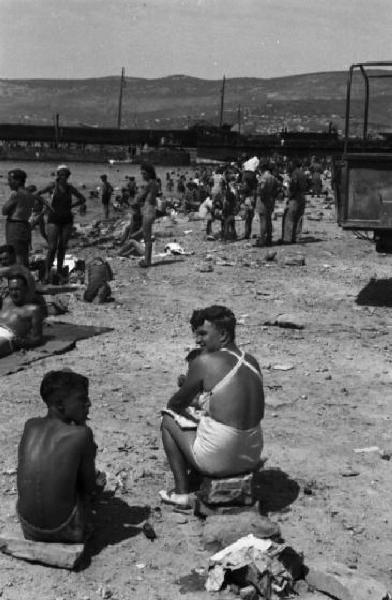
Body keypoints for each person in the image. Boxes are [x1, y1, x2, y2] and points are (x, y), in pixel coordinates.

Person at [160, 305, 264, 507]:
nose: (197, 341)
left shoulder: (205, 361)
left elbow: (175, 403)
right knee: (204, 417)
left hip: (220, 457)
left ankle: (181, 493)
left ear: (223, 334)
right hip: (252, 453)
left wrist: (193, 407)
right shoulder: (252, 361)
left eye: (203, 334)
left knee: (168, 418)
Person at [17, 369, 101, 542]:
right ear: (61, 405)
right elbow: (89, 489)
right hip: (66, 529)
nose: (89, 404)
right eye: (82, 399)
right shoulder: (81, 434)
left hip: (28, 528)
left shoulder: (30, 426)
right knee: (94, 482)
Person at [38, 165, 86, 283]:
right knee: (52, 247)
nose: (63, 176)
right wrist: (47, 205)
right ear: (58, 175)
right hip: (53, 218)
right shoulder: (52, 186)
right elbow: (37, 194)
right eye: (61, 174)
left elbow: (82, 198)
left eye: (65, 174)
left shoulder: (70, 188)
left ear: (68, 175)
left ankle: (59, 271)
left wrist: (71, 206)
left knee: (62, 247)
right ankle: (46, 273)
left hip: (67, 219)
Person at [0, 268, 44, 357]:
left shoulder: (33, 310)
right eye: (11, 289)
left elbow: (37, 338)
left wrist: (21, 343)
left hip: (7, 336)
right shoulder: (5, 301)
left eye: (17, 289)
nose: (13, 293)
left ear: (25, 289)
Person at [2, 169, 35, 267]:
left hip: (15, 226)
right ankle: (25, 278)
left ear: (18, 181)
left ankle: (19, 278)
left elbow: (4, 211)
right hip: (25, 225)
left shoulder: (16, 194)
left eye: (10, 180)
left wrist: (10, 197)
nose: (9, 183)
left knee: (15, 255)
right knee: (23, 254)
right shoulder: (29, 195)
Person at [281, 160, 308, 244]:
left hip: (295, 197)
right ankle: (296, 237)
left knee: (289, 217)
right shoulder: (303, 174)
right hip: (302, 196)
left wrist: (289, 194)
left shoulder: (294, 174)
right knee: (299, 218)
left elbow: (293, 186)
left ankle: (287, 239)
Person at [137, 162, 159, 268]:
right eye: (142, 174)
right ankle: (147, 259)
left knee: (147, 237)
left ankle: (147, 261)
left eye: (144, 173)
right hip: (150, 210)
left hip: (148, 211)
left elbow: (139, 197)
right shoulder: (155, 183)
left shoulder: (150, 183)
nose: (143, 176)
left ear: (150, 173)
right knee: (147, 236)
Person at [255, 162, 279, 247]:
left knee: (263, 221)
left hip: (263, 201)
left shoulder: (263, 178)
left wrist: (259, 193)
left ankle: (263, 240)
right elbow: (277, 190)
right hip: (271, 201)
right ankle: (269, 239)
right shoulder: (273, 178)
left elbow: (261, 189)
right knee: (268, 220)